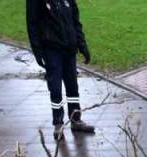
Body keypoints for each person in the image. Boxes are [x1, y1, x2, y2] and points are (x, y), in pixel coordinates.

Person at [26, 0, 95, 138]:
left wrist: (82, 45)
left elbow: (75, 21)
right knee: (55, 88)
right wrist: (38, 52)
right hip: (51, 50)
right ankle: (58, 123)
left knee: (72, 87)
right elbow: (32, 24)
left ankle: (76, 120)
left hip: (69, 48)